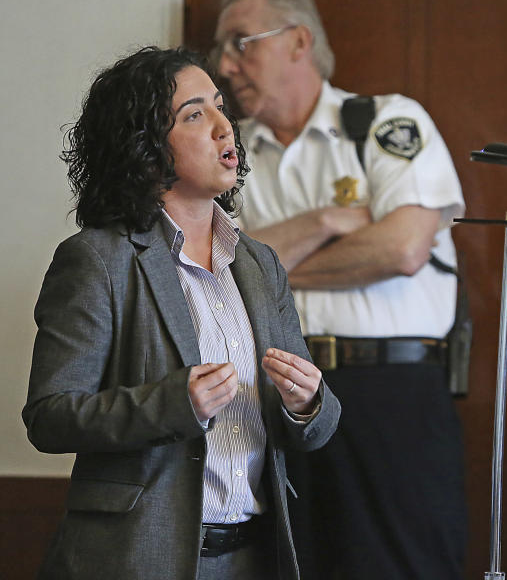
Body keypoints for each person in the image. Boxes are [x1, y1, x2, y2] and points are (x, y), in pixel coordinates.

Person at [22, 47, 341, 580]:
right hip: (137, 556)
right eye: (195, 115)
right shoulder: (98, 260)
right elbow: (50, 418)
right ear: (145, 147)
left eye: (220, 107)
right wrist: (172, 405)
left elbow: (317, 426)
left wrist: (307, 402)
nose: (224, 128)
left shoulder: (259, 263)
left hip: (257, 555)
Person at [213, 0, 467, 579]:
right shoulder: (229, 154)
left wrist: (272, 270)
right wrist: (327, 219)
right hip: (276, 396)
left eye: (240, 42)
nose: (224, 64)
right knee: (295, 564)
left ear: (299, 41)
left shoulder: (386, 122)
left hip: (392, 392)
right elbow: (218, 267)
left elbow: (404, 248)